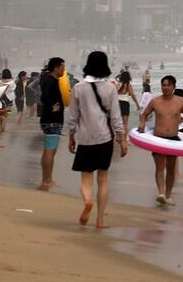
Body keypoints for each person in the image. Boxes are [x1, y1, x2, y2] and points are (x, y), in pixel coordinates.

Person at [65, 51, 127, 229]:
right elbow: (116, 118)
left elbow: (73, 116)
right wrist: (122, 139)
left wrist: (71, 136)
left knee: (86, 178)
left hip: (85, 139)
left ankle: (87, 201)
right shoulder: (110, 88)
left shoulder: (78, 88)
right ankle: (100, 220)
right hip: (104, 139)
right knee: (103, 179)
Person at [137, 75, 183, 205]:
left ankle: (168, 195)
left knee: (171, 169)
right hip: (158, 139)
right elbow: (144, 115)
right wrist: (142, 123)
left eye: (168, 85)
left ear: (173, 87)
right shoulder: (155, 101)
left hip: (173, 139)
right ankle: (161, 193)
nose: (165, 87)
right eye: (163, 85)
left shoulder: (180, 101)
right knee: (160, 166)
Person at [38, 57, 70, 189]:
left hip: (48, 119)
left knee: (47, 150)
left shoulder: (48, 79)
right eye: (62, 66)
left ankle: (46, 179)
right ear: (56, 67)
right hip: (53, 120)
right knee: (51, 151)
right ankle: (47, 180)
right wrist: (52, 106)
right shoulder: (51, 81)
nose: (64, 69)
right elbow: (44, 96)